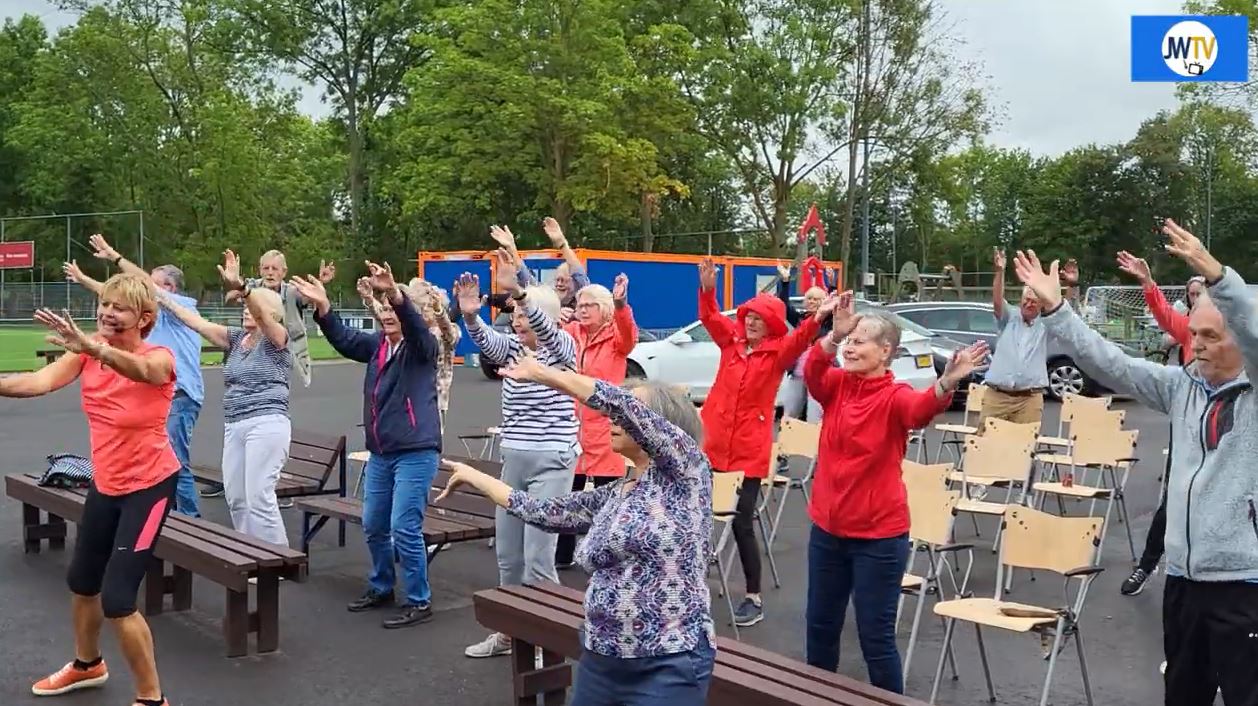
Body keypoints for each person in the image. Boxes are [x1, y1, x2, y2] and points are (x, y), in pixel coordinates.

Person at [1013, 222, 1258, 705]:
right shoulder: (1180, 385)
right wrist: (1058, 309)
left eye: (1211, 335)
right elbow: (1110, 361)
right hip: (1185, 581)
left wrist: (1218, 277)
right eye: (1195, 334)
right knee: (1182, 695)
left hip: (1243, 587)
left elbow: (1252, 329)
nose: (1199, 344)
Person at [439, 349, 715, 705]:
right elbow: (542, 511)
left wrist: (545, 375)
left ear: (661, 427)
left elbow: (617, 403)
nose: (612, 419)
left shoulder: (687, 476)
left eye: (629, 413)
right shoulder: (617, 493)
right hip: (602, 657)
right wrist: (476, 477)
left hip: (668, 661)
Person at [1, 274, 177, 706]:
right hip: (107, 483)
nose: (106, 312)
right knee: (82, 582)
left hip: (149, 487)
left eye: (119, 307)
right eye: (105, 304)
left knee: (118, 599)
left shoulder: (160, 357)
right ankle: (87, 664)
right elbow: (36, 382)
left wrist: (97, 347)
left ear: (144, 318)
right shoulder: (85, 356)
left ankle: (152, 698)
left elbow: (142, 370)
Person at [803, 291, 987, 694]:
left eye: (859, 339)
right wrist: (833, 336)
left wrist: (947, 382)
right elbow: (813, 371)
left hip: (878, 538)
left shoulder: (895, 395)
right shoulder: (836, 385)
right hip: (827, 532)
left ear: (885, 351)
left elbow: (920, 411)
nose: (850, 346)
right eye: (849, 340)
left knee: (875, 638)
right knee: (819, 629)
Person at [291, 262, 443, 630]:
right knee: (375, 524)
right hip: (381, 452)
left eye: (395, 310)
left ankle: (419, 599)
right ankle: (382, 586)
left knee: (404, 526)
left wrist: (394, 293)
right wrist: (324, 308)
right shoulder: (377, 346)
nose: (389, 316)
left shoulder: (423, 347)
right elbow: (343, 338)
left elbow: (419, 332)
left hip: (416, 452)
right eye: (386, 310)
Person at [455, 251, 580, 658]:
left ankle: (548, 638)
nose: (517, 320)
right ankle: (510, 633)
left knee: (538, 558)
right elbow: (488, 343)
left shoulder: (563, 347)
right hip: (515, 460)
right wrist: (471, 316)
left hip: (552, 462)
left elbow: (546, 328)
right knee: (509, 557)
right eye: (516, 316)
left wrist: (523, 295)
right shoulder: (512, 350)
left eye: (523, 316)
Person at [696, 256, 832, 628]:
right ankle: (689, 581)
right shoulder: (731, 344)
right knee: (695, 514)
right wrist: (708, 290)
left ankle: (752, 595)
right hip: (713, 443)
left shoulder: (777, 355)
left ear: (771, 323)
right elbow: (710, 318)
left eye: (758, 318)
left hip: (749, 451)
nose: (750, 322)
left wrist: (819, 318)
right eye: (747, 316)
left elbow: (801, 338)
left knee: (741, 521)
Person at [155, 250, 293, 546]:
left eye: (251, 308)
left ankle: (275, 558)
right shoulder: (235, 338)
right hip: (236, 424)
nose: (245, 311)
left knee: (259, 496)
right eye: (244, 307)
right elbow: (194, 322)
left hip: (266, 423)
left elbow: (263, 317)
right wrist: (164, 299)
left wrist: (244, 289)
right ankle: (250, 551)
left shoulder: (277, 339)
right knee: (238, 498)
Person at [63, 233, 205, 518]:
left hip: (181, 394)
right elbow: (116, 295)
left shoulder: (182, 307)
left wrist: (115, 256)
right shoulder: (152, 312)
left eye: (152, 283)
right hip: (162, 394)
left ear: (170, 288)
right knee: (153, 460)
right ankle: (168, 518)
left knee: (177, 462)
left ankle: (190, 520)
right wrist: (83, 280)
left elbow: (144, 290)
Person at [1114, 253, 1205, 597]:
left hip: (1226, 435)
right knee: (1173, 499)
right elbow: (1167, 316)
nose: (1196, 301)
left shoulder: (1236, 337)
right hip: (1186, 426)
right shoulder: (1188, 330)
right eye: (1192, 295)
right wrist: (1148, 285)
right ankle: (1147, 566)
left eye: (1202, 294)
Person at [554, 274, 638, 569]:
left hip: (605, 425)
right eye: (580, 304)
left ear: (605, 308)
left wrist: (621, 303)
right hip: (573, 423)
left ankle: (607, 555)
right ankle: (562, 554)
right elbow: (543, 333)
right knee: (570, 490)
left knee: (607, 494)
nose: (583, 309)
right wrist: (556, 314)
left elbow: (628, 333)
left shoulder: (616, 336)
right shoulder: (571, 331)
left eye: (590, 305)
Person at [979, 247, 1052, 429]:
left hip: (1030, 398)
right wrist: (999, 271)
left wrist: (1071, 286)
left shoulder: (1046, 325)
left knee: (1023, 447)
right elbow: (997, 300)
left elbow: (1063, 313)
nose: (1028, 304)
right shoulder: (1009, 317)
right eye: (1025, 300)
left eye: (1033, 302)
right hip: (998, 396)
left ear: (1041, 305)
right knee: (986, 444)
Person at [489, 219, 591, 316]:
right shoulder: (546, 298)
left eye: (564, 280)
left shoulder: (583, 301)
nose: (559, 284)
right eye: (557, 280)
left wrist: (562, 244)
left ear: (575, 283)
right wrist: (511, 247)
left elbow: (579, 273)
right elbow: (526, 278)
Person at [775, 261, 834, 422]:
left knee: (815, 417)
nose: (812, 302)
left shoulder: (828, 321)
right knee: (790, 413)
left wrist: (831, 285)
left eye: (816, 299)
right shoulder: (801, 320)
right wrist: (785, 281)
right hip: (798, 373)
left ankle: (814, 445)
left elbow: (835, 306)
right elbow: (784, 305)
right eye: (809, 299)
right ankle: (787, 444)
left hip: (819, 374)